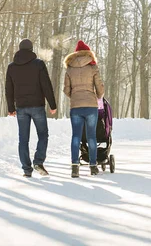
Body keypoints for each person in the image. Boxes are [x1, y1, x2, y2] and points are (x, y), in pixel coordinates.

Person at [6, 39, 57, 178]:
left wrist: (11, 108)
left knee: (23, 139)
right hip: (37, 106)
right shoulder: (38, 64)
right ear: (31, 49)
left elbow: (8, 89)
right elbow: (46, 85)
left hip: (21, 107)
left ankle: (26, 170)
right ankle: (38, 162)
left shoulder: (12, 67)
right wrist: (52, 104)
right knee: (43, 135)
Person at [64, 40, 104, 178]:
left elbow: (66, 90)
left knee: (76, 136)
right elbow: (99, 87)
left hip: (76, 107)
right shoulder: (92, 66)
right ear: (88, 52)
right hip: (91, 106)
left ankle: (75, 167)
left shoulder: (69, 68)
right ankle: (93, 166)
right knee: (91, 136)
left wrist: (74, 96)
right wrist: (98, 96)